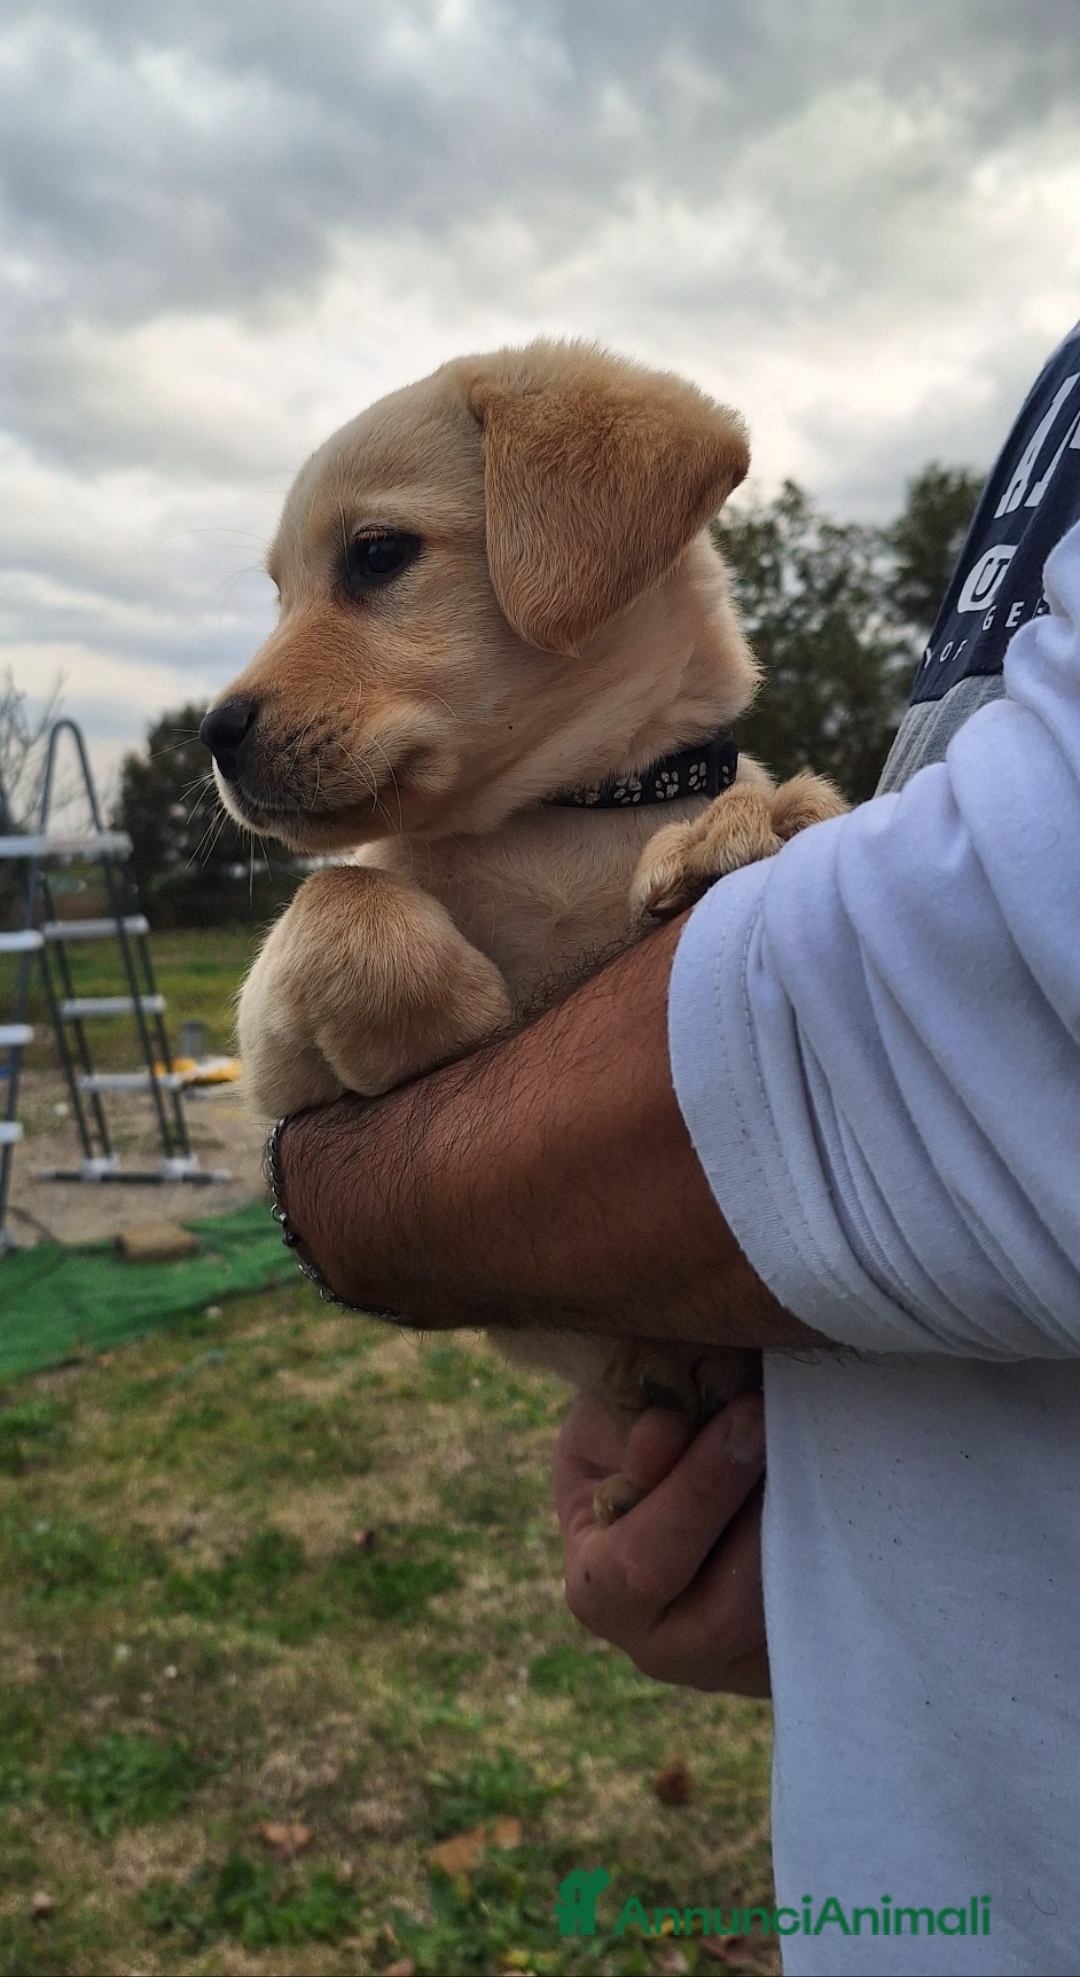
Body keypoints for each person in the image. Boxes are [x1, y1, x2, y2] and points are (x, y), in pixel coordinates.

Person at [273, 321, 1080, 1977]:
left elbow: (970, 972)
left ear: (603, 524)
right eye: (295, 590)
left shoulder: (746, 811)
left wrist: (393, 1187)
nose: (264, 676)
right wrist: (857, 1544)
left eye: (372, 566)